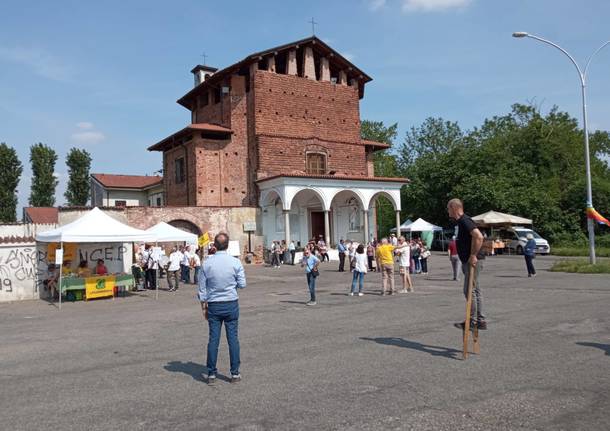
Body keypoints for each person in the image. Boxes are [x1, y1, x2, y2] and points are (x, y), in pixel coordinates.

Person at [198, 232, 246, 385]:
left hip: (214, 304)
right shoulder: (235, 262)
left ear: (214, 245)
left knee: (213, 339)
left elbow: (202, 289)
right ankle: (235, 373)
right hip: (231, 302)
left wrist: (203, 307)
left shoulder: (207, 263)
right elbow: (242, 284)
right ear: (227, 245)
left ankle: (211, 373)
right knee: (233, 339)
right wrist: (232, 285)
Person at [447, 198, 487, 330]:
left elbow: (479, 236)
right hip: (467, 260)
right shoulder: (459, 222)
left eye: (448, 209)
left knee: (469, 290)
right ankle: (480, 320)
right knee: (476, 289)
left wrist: (473, 255)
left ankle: (473, 321)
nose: (448, 212)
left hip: (472, 260)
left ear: (454, 208)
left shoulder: (465, 220)